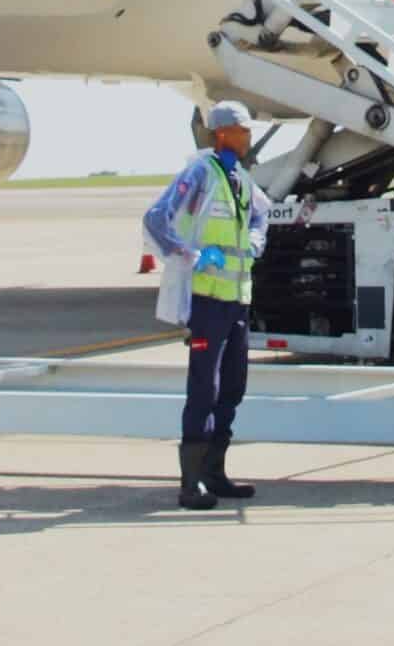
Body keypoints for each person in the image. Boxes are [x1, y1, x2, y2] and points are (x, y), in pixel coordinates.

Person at [142, 100, 270, 509]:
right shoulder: (201, 173)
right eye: (242, 130)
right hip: (207, 301)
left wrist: (255, 240)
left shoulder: (242, 180)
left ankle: (216, 473)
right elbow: (156, 218)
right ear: (222, 133)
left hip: (237, 301)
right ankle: (190, 482)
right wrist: (191, 255)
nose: (248, 136)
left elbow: (260, 217)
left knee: (233, 387)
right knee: (204, 388)